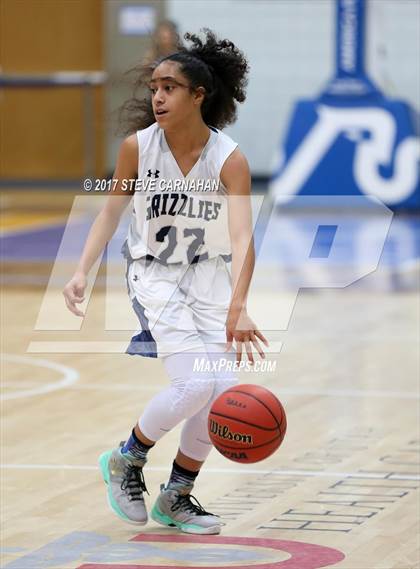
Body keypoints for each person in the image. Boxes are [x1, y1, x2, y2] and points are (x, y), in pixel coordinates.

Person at [63, 29, 267, 535]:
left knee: (219, 391)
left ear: (199, 95)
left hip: (210, 278)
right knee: (194, 383)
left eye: (170, 86)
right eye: (155, 85)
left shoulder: (230, 160)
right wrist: (80, 270)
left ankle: (177, 496)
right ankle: (126, 459)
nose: (157, 95)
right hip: (154, 275)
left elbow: (243, 239)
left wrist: (238, 306)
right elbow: (110, 212)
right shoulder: (138, 148)